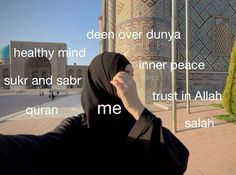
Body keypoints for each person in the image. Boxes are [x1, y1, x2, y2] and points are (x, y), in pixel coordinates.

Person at [0, 52, 189, 175]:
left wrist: (136, 108)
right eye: (123, 75)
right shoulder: (78, 129)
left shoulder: (139, 124)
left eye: (131, 75)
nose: (130, 82)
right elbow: (36, 150)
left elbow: (177, 162)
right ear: (102, 81)